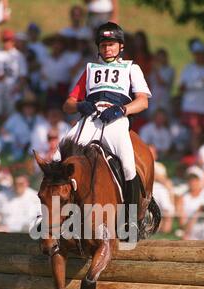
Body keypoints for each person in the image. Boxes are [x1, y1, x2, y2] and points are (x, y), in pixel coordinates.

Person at [53, 22, 151, 211]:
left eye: (111, 44)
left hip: (116, 120)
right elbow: (68, 105)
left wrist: (122, 110)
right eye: (103, 45)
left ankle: (129, 220)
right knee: (57, 158)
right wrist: (81, 105)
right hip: (90, 120)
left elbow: (143, 101)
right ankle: (51, 215)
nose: (107, 48)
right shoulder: (90, 69)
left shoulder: (131, 68)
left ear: (120, 46)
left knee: (129, 166)